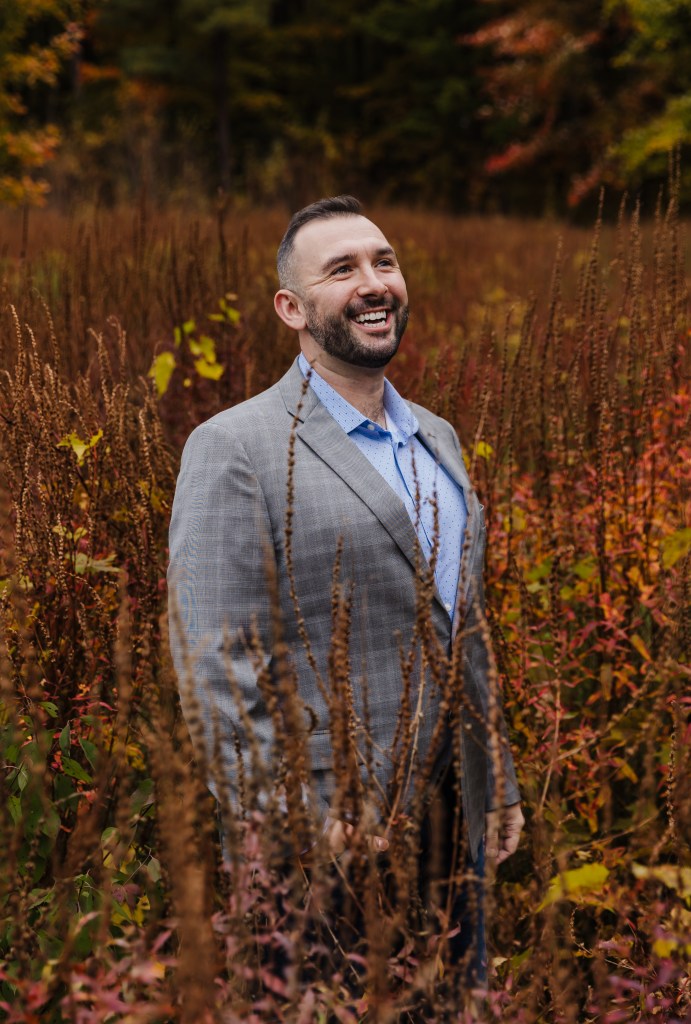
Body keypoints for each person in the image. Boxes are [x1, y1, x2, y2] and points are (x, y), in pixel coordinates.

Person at [168, 195, 524, 986]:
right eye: (341, 270)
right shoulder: (234, 447)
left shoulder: (436, 437)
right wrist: (294, 819)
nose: (372, 282)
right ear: (291, 308)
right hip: (326, 837)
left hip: (455, 814)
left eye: (383, 262)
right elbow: (212, 664)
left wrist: (494, 777)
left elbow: (463, 628)